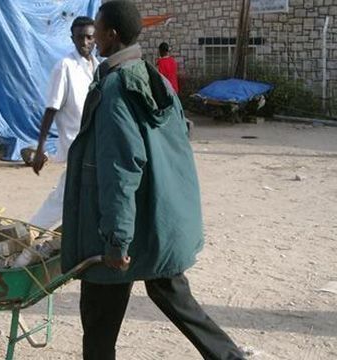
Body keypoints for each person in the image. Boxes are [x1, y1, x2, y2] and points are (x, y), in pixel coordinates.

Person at [61, 2, 245, 359]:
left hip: (121, 232)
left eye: (97, 29)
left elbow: (120, 170)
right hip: (159, 222)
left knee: (98, 321)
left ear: (111, 34)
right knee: (173, 295)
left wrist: (117, 240)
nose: (93, 36)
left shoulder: (115, 90)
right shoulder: (152, 77)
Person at [30, 16, 98, 230]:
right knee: (64, 195)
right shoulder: (65, 67)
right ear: (72, 39)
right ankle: (30, 232)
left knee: (81, 194)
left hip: (94, 143)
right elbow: (51, 109)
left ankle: (70, 235)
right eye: (80, 38)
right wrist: (40, 148)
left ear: (95, 39)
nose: (84, 43)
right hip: (75, 145)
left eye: (89, 38)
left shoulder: (97, 67)